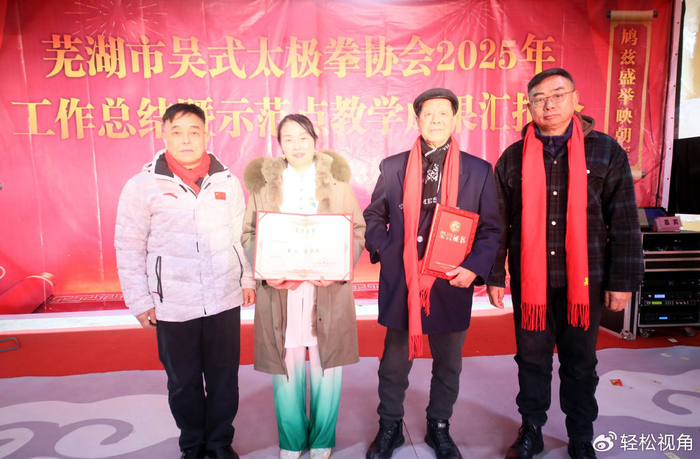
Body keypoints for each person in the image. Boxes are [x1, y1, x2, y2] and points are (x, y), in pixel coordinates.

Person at [486, 68, 644, 459]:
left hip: (585, 282)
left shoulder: (606, 151)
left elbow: (624, 220)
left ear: (575, 98)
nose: (549, 105)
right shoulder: (512, 157)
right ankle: (532, 429)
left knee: (581, 362)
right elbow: (498, 223)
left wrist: (622, 280)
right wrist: (494, 275)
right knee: (531, 360)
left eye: (557, 95)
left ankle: (581, 435)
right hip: (532, 283)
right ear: (529, 106)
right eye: (539, 98)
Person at [363, 88, 502, 459]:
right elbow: (374, 215)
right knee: (394, 362)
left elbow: (491, 228)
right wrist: (387, 250)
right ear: (417, 120)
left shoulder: (478, 170)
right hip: (404, 280)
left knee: (449, 363)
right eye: (428, 114)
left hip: (451, 280)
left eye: (443, 113)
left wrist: (473, 268)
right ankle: (389, 425)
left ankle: (439, 425)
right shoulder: (392, 166)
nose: (436, 119)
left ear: (455, 119)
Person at [115, 103, 255, 459]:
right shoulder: (142, 186)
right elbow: (129, 246)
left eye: (194, 132)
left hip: (223, 297)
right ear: (164, 136)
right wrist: (139, 300)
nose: (186, 140)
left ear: (206, 134)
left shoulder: (226, 181)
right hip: (173, 302)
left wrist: (247, 279)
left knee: (224, 378)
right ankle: (192, 444)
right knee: (183, 381)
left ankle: (219, 442)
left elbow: (241, 236)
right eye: (177, 132)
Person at [241, 114, 366, 459]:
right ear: (280, 145)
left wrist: (338, 269)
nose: (296, 145)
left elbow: (356, 231)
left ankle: (323, 439)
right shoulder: (264, 185)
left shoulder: (337, 183)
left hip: (327, 288)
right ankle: (292, 440)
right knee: (286, 365)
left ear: (314, 140)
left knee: (327, 366)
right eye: (288, 139)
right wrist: (266, 270)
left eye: (303, 138)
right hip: (280, 290)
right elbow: (249, 233)